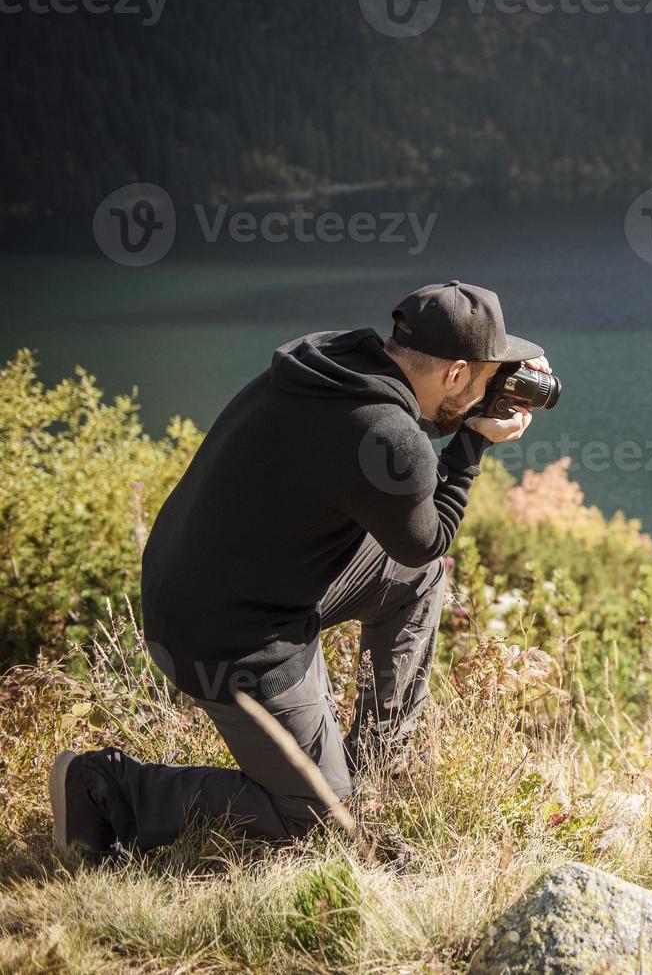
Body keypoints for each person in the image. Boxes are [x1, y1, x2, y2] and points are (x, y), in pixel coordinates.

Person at [49, 281, 549, 855]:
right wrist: (471, 446)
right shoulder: (388, 436)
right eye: (484, 382)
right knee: (318, 828)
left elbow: (406, 551)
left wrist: (495, 377)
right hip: (228, 634)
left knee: (414, 583)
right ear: (455, 373)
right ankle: (107, 787)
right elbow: (426, 540)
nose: (484, 399)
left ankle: (374, 769)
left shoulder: (331, 361)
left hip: (196, 576)